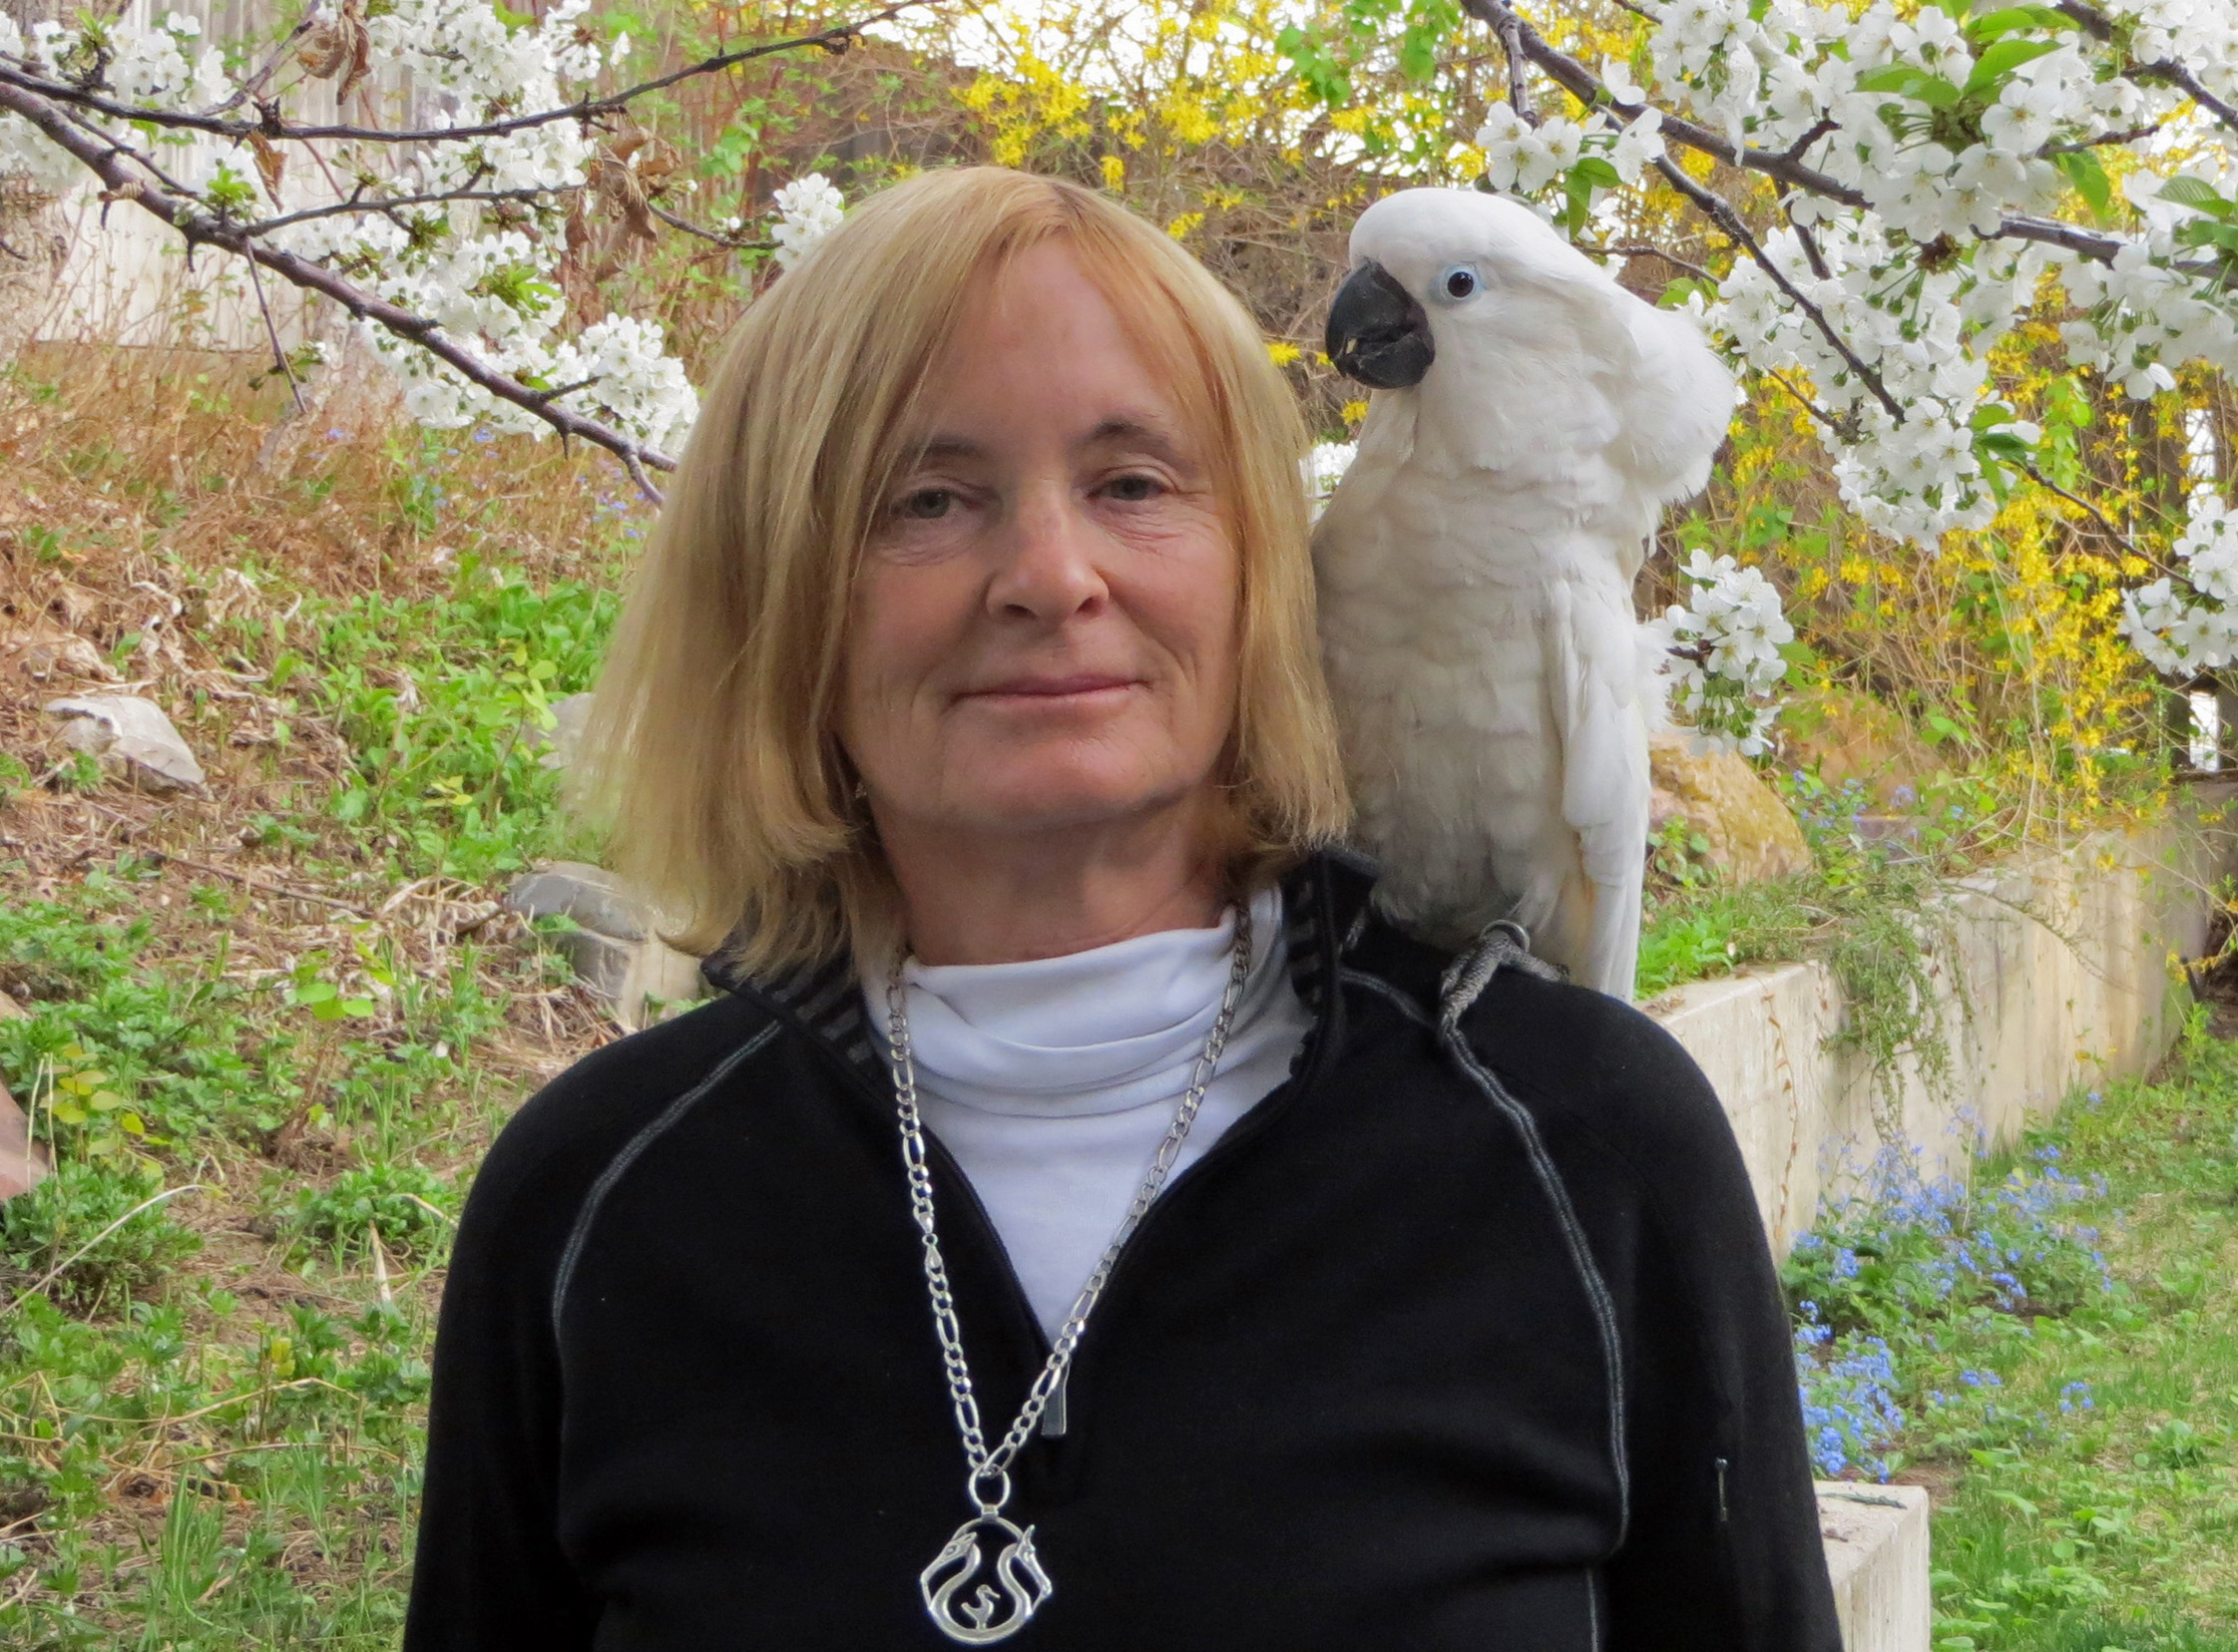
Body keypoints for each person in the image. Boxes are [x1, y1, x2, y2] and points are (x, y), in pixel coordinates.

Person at [403, 166, 1841, 1651]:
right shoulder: (594, 1205)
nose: (1049, 576)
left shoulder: (1594, 1152)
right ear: (776, 592)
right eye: (928, 498)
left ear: (1262, 571)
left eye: (1134, 484)